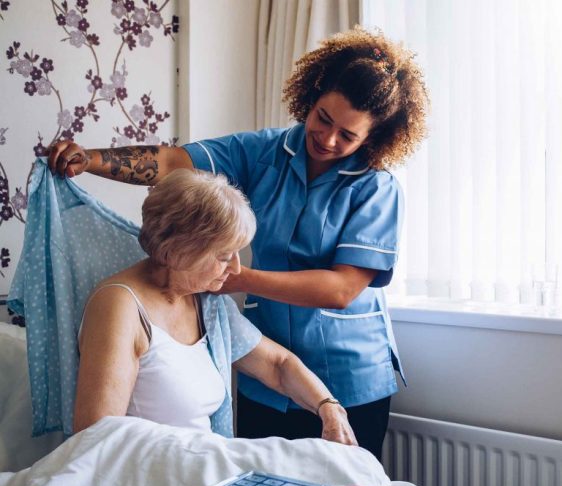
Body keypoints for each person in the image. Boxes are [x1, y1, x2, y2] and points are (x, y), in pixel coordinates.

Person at [51, 27, 429, 459]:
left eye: (348, 136)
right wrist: (92, 160)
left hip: (349, 376)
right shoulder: (262, 151)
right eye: (324, 118)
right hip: (265, 377)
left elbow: (341, 289)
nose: (327, 139)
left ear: (373, 139)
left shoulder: (376, 188)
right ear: (313, 96)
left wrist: (234, 276)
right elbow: (175, 162)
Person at [73, 168, 357, 447]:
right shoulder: (120, 307)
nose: (235, 268)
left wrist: (329, 407)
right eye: (224, 256)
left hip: (200, 468)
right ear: (178, 251)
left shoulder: (206, 303)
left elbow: (278, 364)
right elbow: (96, 438)